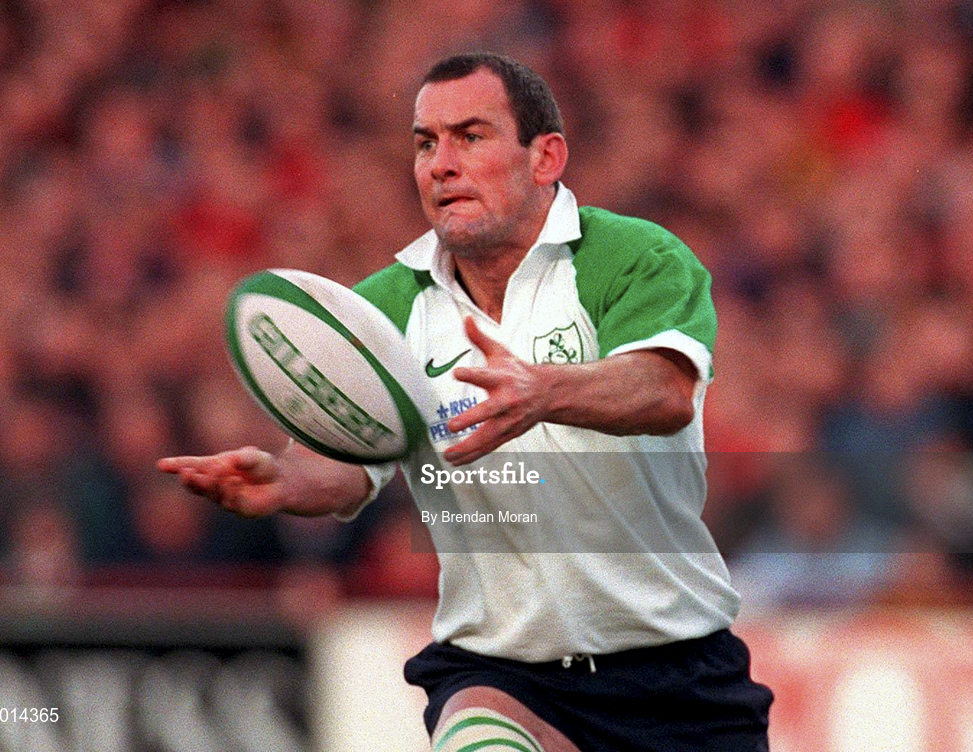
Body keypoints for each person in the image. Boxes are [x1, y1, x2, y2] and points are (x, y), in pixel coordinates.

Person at [159, 52, 773, 752]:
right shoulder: (386, 306)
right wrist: (283, 480)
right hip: (502, 674)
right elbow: (349, 463)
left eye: (470, 136)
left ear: (545, 157)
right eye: (425, 143)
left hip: (677, 676)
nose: (439, 164)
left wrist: (546, 392)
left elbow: (663, 390)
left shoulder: (632, 256)